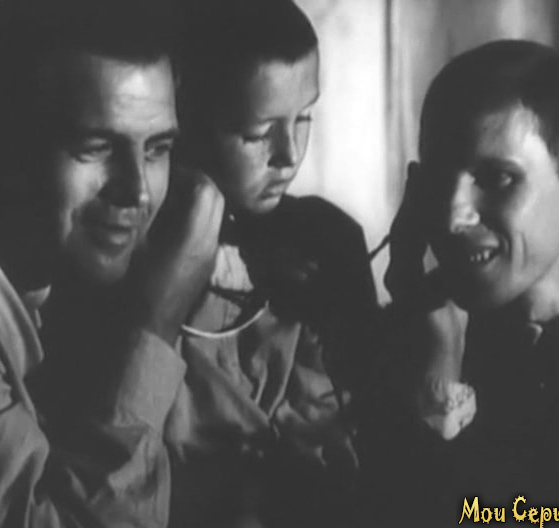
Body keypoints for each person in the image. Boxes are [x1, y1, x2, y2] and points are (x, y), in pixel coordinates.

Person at [0, 0, 224, 526]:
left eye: (157, 149)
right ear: (3, 145)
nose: (138, 191)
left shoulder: (47, 258)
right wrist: (155, 327)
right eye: (96, 146)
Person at [371, 39, 559, 525]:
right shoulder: (414, 339)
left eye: (497, 177)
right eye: (438, 177)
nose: (452, 216)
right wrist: (441, 365)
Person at [155, 0, 381, 526]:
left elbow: (368, 427)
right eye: (258, 133)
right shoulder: (140, 255)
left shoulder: (329, 241)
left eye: (304, 118)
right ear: (187, 120)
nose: (289, 154)